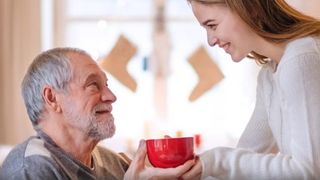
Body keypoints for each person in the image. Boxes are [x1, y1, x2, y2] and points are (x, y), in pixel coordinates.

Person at [0, 47, 194, 180]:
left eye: (107, 85)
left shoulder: (113, 163)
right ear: (52, 98)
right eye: (93, 85)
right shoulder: (30, 169)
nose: (111, 96)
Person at [182, 0, 320, 179]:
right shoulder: (269, 77)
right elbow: (244, 159)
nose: (210, 40)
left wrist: (215, 162)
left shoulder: (301, 60)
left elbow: (309, 171)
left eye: (212, 25)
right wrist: (188, 172)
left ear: (250, 7)